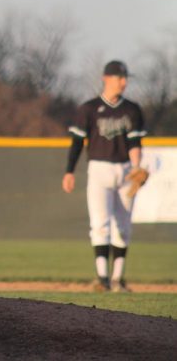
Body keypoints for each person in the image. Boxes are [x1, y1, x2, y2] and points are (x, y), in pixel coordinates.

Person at [62, 60, 146, 292]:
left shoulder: (132, 109)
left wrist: (137, 167)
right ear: (106, 78)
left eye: (125, 77)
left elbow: (135, 142)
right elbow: (77, 142)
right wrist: (69, 171)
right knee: (100, 224)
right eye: (120, 77)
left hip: (126, 170)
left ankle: (118, 279)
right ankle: (102, 278)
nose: (124, 82)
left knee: (124, 226)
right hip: (99, 169)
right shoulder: (88, 109)